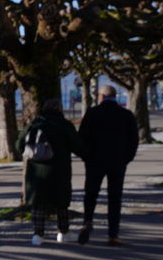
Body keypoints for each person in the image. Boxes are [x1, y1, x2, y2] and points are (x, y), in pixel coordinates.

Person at [15, 98, 87, 246]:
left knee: (38, 202)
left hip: (36, 170)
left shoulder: (34, 124)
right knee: (61, 202)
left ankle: (38, 235)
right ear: (59, 109)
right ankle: (63, 232)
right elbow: (78, 146)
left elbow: (19, 144)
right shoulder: (64, 125)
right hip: (59, 168)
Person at [77, 84, 140, 246]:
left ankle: (88, 221)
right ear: (115, 97)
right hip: (117, 162)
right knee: (115, 198)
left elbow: (81, 138)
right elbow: (133, 140)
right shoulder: (126, 115)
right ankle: (113, 234)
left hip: (95, 161)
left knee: (90, 194)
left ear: (101, 97)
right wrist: (126, 158)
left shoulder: (92, 113)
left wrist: (86, 157)